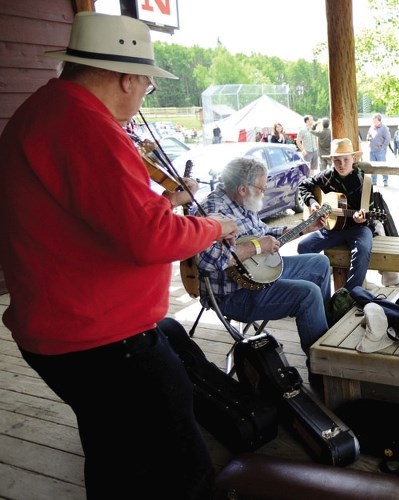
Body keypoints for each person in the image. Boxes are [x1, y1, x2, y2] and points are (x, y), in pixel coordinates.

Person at [0, 12, 240, 499]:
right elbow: (149, 239)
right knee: (183, 472)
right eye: (148, 85)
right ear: (127, 77)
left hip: (68, 333)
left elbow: (92, 217)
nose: (144, 94)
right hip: (105, 342)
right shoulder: (85, 125)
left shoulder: (48, 110)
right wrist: (215, 226)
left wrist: (166, 202)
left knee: (117, 461)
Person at [196, 157, 331, 357]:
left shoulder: (242, 201)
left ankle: (326, 334)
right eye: (261, 188)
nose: (264, 192)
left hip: (259, 274)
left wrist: (305, 228)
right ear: (243, 188)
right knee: (308, 294)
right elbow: (206, 260)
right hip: (234, 294)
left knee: (319, 263)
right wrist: (257, 246)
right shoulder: (212, 210)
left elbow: (267, 235)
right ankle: (321, 363)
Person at [297, 138, 374, 291]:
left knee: (363, 250)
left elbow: (368, 213)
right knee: (303, 247)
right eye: (337, 160)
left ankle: (348, 294)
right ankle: (318, 289)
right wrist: (312, 202)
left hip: (357, 228)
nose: (342, 164)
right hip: (331, 229)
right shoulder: (326, 176)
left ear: (354, 158)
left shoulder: (363, 180)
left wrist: (361, 220)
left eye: (346, 159)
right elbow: (303, 185)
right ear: (331, 160)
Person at [367, 113, 391, 186]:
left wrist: (382, 147)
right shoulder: (371, 127)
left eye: (375, 121)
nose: (374, 122)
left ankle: (385, 181)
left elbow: (388, 139)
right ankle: (374, 181)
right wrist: (368, 138)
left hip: (380, 151)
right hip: (372, 150)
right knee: (372, 167)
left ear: (379, 120)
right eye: (373, 121)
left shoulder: (384, 128)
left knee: (382, 166)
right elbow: (368, 135)